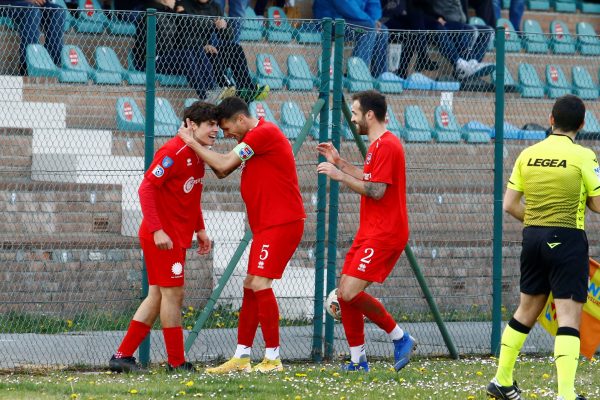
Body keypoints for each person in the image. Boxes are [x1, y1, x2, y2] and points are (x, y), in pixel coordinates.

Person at [177, 96, 305, 373]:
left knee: (260, 284)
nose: (225, 134)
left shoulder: (263, 133)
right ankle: (242, 357)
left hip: (281, 223)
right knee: (250, 284)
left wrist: (192, 143)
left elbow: (222, 166)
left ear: (241, 119)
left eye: (226, 128)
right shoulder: (250, 139)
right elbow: (223, 170)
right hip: (266, 225)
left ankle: (273, 359)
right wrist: (199, 147)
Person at [486, 95, 599, 400]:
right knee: (568, 317)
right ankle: (565, 395)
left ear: (551, 120)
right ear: (582, 125)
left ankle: (501, 380)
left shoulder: (528, 154)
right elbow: (598, 204)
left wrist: (539, 219)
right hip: (567, 240)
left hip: (533, 238)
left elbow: (509, 204)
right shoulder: (583, 156)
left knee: (526, 310)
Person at [108, 101, 216, 373]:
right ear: (192, 125)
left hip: (175, 236)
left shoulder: (197, 152)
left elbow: (190, 196)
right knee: (173, 296)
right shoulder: (173, 151)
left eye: (217, 125)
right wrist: (157, 229)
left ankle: (121, 357)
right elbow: (146, 188)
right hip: (162, 238)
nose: (216, 130)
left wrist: (199, 229)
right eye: (210, 124)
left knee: (157, 296)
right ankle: (177, 363)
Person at [316, 90, 415, 372]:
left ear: (370, 115)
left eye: (356, 113)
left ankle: (400, 337)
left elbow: (376, 190)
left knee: (347, 292)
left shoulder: (387, 146)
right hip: (370, 230)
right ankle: (358, 360)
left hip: (385, 232)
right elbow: (370, 177)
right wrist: (340, 163)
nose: (353, 118)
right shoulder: (376, 146)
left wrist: (339, 176)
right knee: (344, 292)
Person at [175, 0, 269, 102]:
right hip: (190, 53)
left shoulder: (214, 7)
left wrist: (223, 27)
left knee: (235, 49)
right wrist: (201, 46)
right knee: (211, 53)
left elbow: (227, 37)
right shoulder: (183, 5)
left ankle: (247, 88)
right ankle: (225, 86)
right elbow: (180, 34)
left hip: (208, 50)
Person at [132, 0, 216, 100]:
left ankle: (213, 90)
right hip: (150, 60)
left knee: (196, 49)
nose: (177, 1)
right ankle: (205, 96)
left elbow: (185, 36)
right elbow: (142, 44)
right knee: (186, 55)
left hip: (168, 57)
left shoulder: (172, 14)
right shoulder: (149, 13)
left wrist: (182, 14)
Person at [418, 0, 495, 80]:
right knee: (466, 30)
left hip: (460, 22)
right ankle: (463, 66)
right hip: (441, 22)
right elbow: (425, 7)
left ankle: (472, 65)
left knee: (487, 31)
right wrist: (437, 17)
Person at [313, 0, 389, 79]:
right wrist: (370, 21)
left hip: (354, 20)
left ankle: (380, 76)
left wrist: (373, 20)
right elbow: (345, 5)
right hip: (331, 20)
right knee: (368, 29)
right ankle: (357, 75)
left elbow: (373, 4)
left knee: (382, 31)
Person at [0, 0, 66, 75]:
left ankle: (53, 63)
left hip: (32, 4)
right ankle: (27, 66)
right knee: (32, 10)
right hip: (8, 3)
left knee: (58, 11)